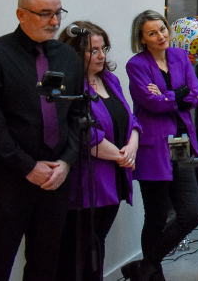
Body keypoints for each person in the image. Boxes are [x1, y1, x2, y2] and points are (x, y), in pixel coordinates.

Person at [0, 0, 82, 280]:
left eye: (58, 13)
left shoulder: (68, 58)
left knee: (45, 263)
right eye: (45, 14)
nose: (55, 21)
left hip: (55, 180)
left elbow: (77, 115)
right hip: (9, 181)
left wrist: (66, 162)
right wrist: (28, 167)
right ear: (21, 14)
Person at [56, 21, 142, 281]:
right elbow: (84, 135)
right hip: (86, 185)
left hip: (114, 180)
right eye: (93, 50)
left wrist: (132, 147)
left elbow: (131, 120)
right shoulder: (69, 86)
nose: (102, 55)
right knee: (76, 254)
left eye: (104, 48)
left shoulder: (110, 79)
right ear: (73, 52)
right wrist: (121, 156)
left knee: (96, 247)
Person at [122, 10, 198, 281]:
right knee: (157, 216)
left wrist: (168, 95)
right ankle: (154, 276)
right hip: (153, 147)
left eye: (163, 29)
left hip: (181, 143)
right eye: (152, 33)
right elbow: (150, 103)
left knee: (192, 213)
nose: (161, 36)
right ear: (142, 38)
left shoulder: (180, 56)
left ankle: (145, 266)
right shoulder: (136, 65)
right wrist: (177, 96)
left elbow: (196, 94)